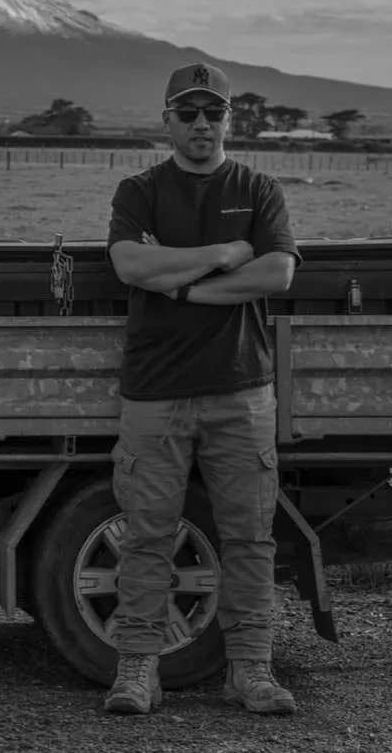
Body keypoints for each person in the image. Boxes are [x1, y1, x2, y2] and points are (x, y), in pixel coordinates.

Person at [99, 61, 301, 716]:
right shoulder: (138, 190)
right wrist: (217, 256)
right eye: (186, 112)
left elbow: (274, 272)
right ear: (166, 120)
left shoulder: (258, 186)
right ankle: (136, 672)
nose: (200, 124)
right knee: (145, 532)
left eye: (212, 112)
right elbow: (128, 262)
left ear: (228, 119)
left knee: (248, 534)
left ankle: (250, 671)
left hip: (239, 389)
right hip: (154, 391)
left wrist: (178, 283)